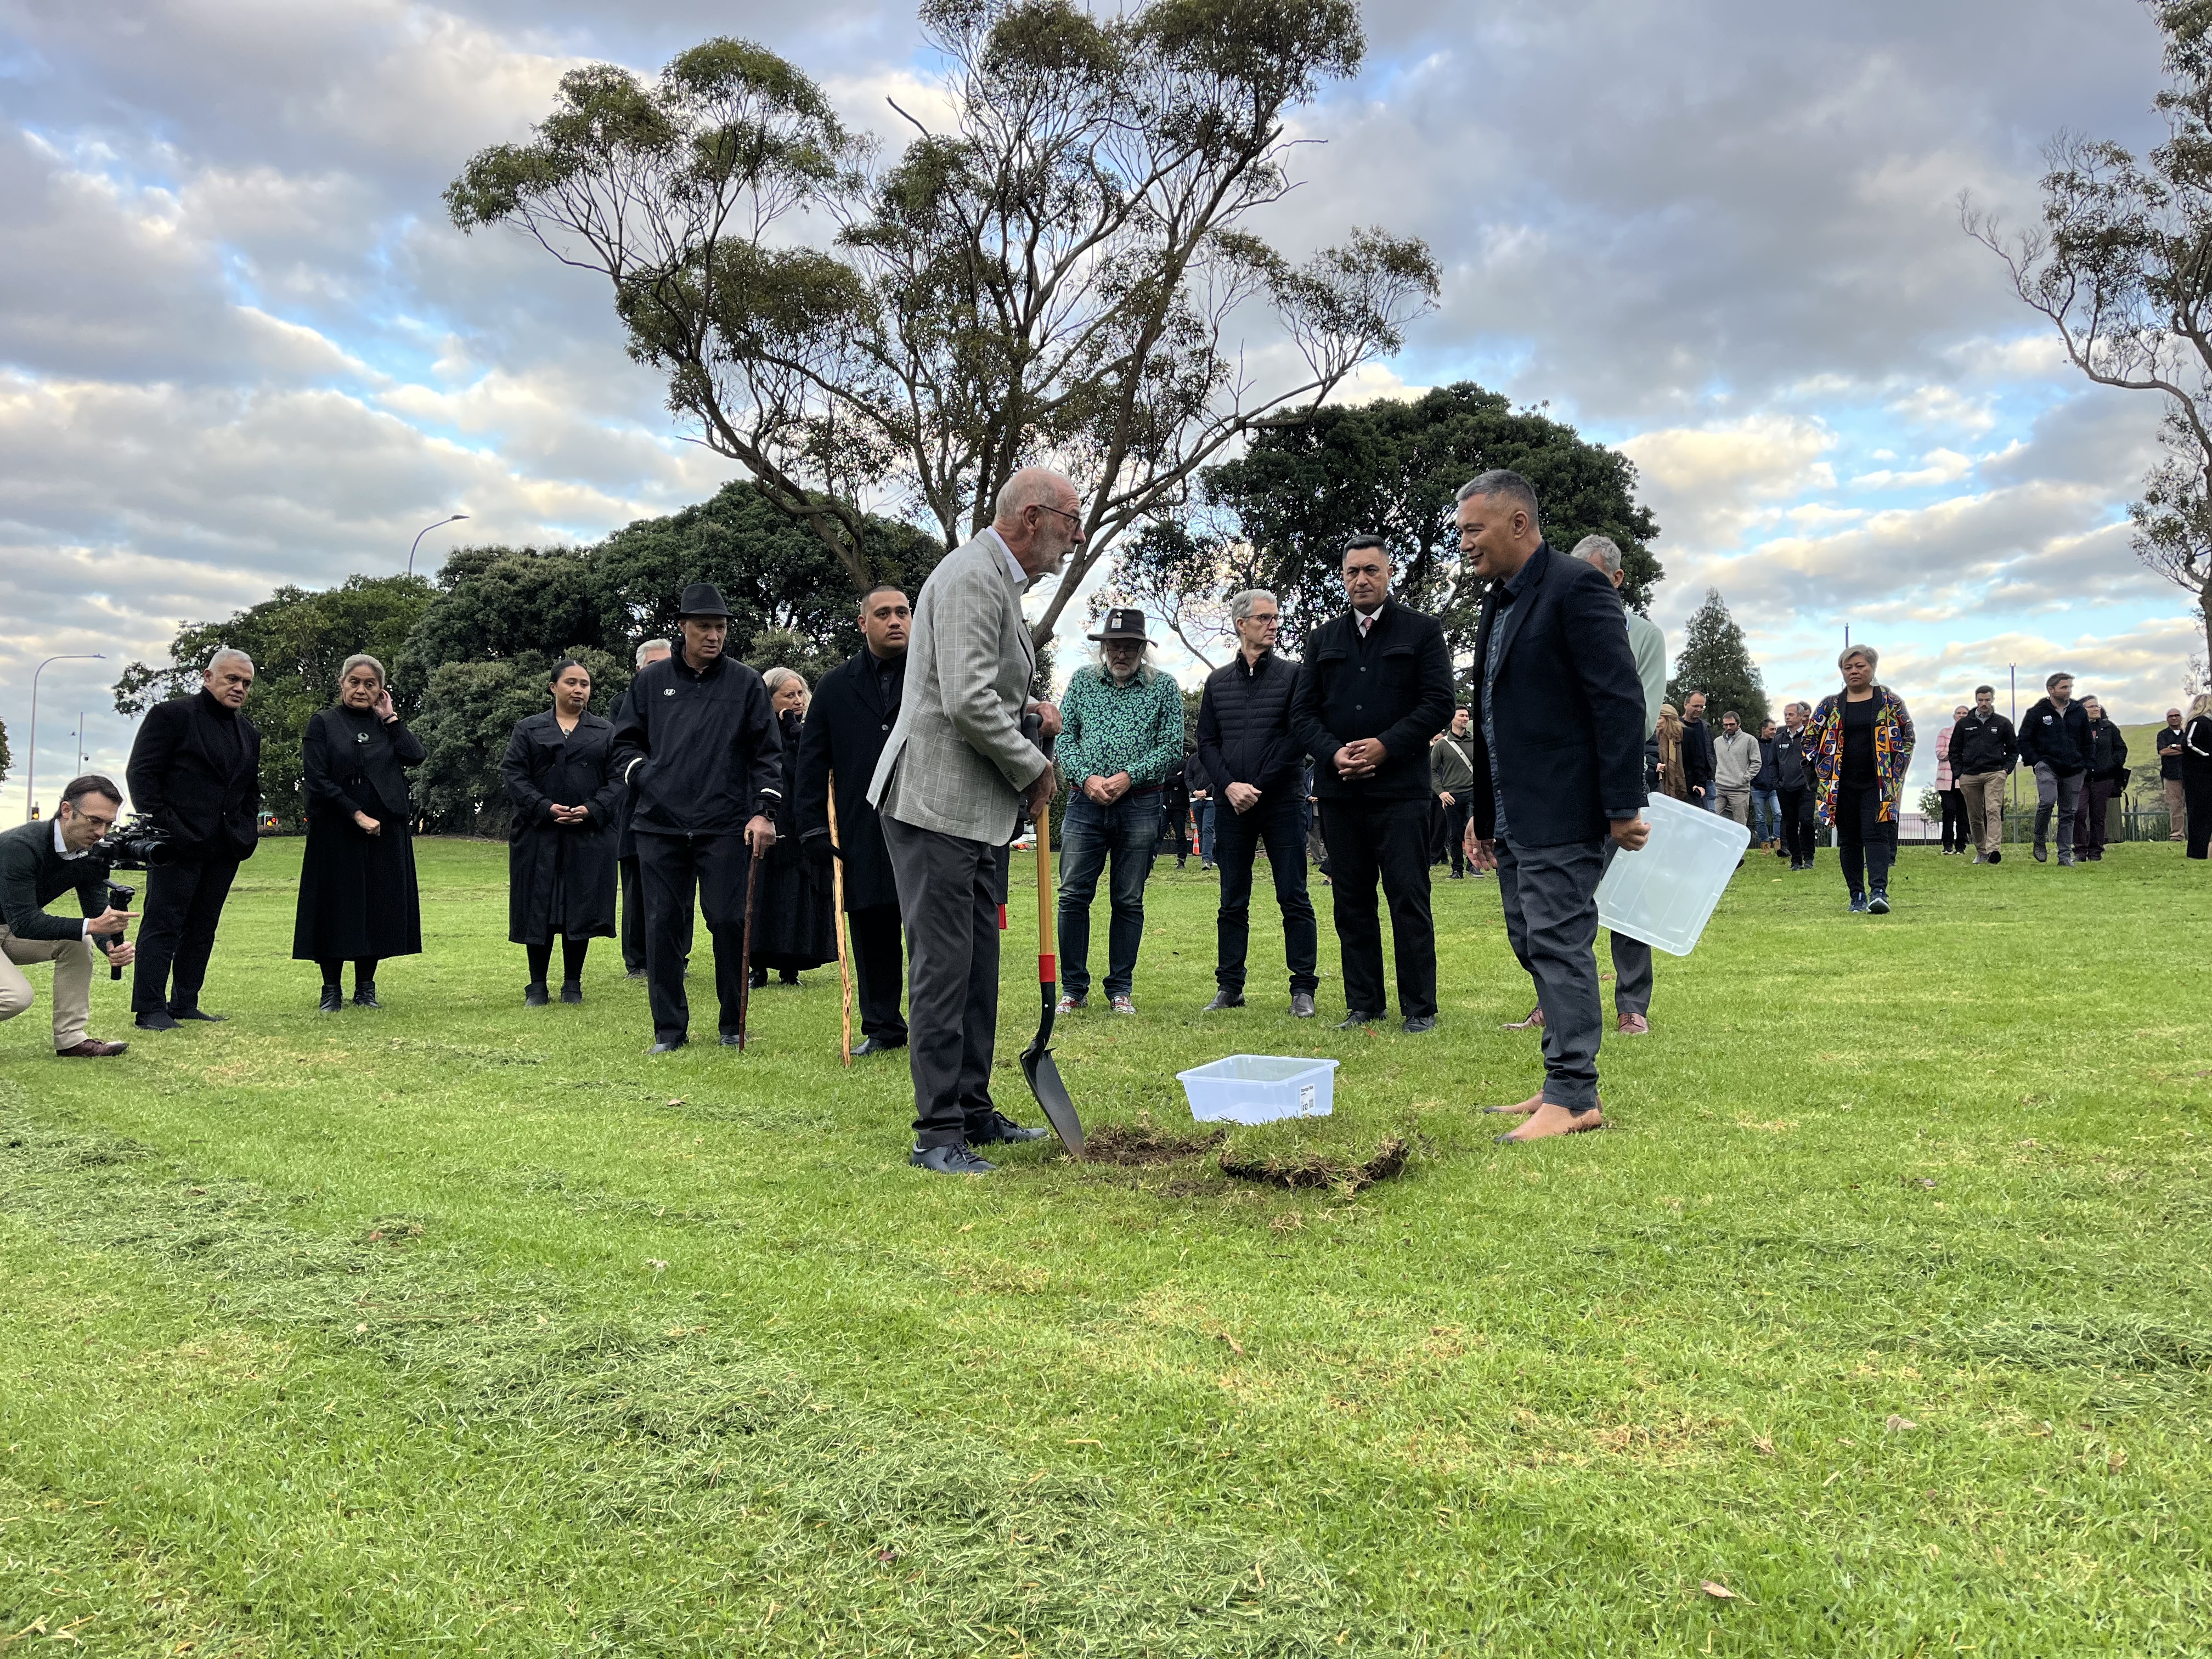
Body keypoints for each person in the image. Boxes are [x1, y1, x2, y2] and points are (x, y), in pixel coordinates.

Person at [867, 466, 1073, 1175]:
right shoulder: (969, 578)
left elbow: (980, 688)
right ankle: (937, 1133)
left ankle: (973, 1111)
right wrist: (1034, 765)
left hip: (974, 812)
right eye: (1070, 521)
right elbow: (962, 701)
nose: (1075, 536)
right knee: (944, 969)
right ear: (1033, 517)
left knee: (977, 968)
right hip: (934, 805)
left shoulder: (997, 582)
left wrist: (1030, 710)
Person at [1454, 471, 1650, 1142]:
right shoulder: (1499, 601)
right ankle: (1555, 1086)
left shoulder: (1577, 586)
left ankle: (1576, 1096)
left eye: (1474, 530)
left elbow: (1618, 698)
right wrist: (1483, 810)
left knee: (1560, 942)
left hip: (1566, 808)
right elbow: (1489, 717)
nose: (1465, 544)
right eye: (1461, 532)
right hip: (1512, 812)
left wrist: (1623, 804)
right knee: (1531, 940)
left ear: (1518, 523)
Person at [1288, 534, 1453, 1032]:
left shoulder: (1422, 631)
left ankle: (1419, 1009)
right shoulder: (1324, 639)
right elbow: (1302, 712)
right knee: (1351, 901)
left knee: (1408, 898)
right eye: (1353, 572)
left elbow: (1438, 703)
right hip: (1341, 792)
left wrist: (1385, 746)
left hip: (1401, 791)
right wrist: (1334, 752)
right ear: (1344, 578)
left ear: (1389, 574)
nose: (1362, 580)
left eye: (1371, 571)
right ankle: (1365, 1004)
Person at [610, 583, 782, 1053]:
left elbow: (767, 754)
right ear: (682, 627)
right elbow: (624, 745)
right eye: (703, 626)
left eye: (720, 627)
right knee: (663, 925)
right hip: (658, 826)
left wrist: (764, 812)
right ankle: (669, 1032)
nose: (713, 635)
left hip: (726, 825)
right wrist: (648, 778)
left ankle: (732, 1026)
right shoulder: (650, 682)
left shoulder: (746, 682)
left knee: (728, 922)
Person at [795, 584, 913, 1056]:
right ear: (863, 622)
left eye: (903, 612)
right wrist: (811, 829)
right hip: (861, 826)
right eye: (883, 613)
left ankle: (936, 1024)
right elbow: (811, 761)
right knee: (872, 925)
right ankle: (883, 1027)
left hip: (925, 820)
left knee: (930, 928)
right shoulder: (834, 686)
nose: (895, 621)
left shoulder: (934, 675)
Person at [1051, 608, 1184, 1014]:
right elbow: (1064, 738)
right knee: (1073, 895)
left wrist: (1129, 776)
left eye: (1129, 646)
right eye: (1114, 646)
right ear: (1103, 649)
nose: (1121, 653)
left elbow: (1172, 747)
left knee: (1128, 898)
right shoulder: (1082, 683)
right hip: (1083, 802)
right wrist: (1087, 777)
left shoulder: (1164, 687)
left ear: (1143, 650)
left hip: (1141, 802)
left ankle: (1120, 989)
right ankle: (1073, 989)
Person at [122, 647, 261, 1030]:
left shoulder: (248, 732)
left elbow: (250, 790)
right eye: (232, 679)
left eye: (246, 683)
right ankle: (150, 1009)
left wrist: (246, 833)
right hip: (177, 843)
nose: (239, 688)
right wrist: (167, 827)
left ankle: (185, 1002)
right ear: (208, 676)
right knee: (164, 922)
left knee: (203, 926)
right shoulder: (172, 715)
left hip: (225, 846)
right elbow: (142, 775)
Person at [1195, 587, 1318, 1017]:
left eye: (1276, 618)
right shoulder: (1217, 682)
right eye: (1265, 618)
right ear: (1241, 624)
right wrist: (1229, 787)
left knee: (1294, 896)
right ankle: (1230, 986)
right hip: (1231, 805)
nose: (1273, 625)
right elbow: (1206, 743)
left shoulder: (1294, 676)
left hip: (1281, 801)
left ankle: (1303, 989)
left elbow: (1297, 736)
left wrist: (1257, 786)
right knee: (1232, 899)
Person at [292, 654, 425, 1009]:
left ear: (381, 690)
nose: (361, 689)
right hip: (336, 828)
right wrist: (355, 813)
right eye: (355, 682)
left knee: (378, 907)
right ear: (342, 683)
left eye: (370, 684)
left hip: (386, 830)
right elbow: (316, 779)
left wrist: (392, 717)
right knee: (336, 906)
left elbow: (416, 756)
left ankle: (366, 988)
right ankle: (331, 990)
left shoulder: (386, 725)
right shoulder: (323, 723)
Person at [1571, 532, 1664, 1036]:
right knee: (1563, 895)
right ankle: (1559, 1000)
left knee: (1629, 893)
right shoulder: (1558, 623)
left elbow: (1644, 715)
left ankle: (1632, 1005)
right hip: (1564, 777)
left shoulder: (1644, 635)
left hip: (1621, 772)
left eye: (1594, 575)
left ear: (1617, 579)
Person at [499, 658, 624, 1007]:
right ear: (554, 687)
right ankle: (536, 986)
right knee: (538, 904)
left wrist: (593, 809)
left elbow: (619, 779)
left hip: (589, 835)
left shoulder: (605, 731)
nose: (579, 690)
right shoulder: (528, 729)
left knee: (579, 906)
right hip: (539, 833)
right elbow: (513, 774)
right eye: (571, 683)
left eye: (584, 684)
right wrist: (543, 807)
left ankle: (573, 984)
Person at [0, 775, 136, 1058]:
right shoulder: (21, 846)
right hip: (14, 924)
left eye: (109, 824)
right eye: (94, 821)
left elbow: (95, 911)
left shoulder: (91, 854)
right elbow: (25, 921)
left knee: (77, 942)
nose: (102, 832)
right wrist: (93, 925)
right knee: (15, 997)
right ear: (66, 810)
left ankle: (71, 1040)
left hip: (7, 928)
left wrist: (109, 944)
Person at [1805, 645, 1915, 913]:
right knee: (1849, 840)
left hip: (1877, 785)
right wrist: (1820, 774)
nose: (1854, 671)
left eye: (1860, 666)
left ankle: (1879, 892)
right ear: (1842, 672)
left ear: (1872, 668)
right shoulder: (1829, 705)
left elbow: (1908, 738)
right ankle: (1857, 895)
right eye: (1848, 667)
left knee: (1877, 837)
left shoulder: (1891, 702)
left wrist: (1895, 774)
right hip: (1840, 786)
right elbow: (1809, 741)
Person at [750, 668, 837, 988]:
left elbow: (814, 765)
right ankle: (757, 966)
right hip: (769, 820)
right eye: (788, 695)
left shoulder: (807, 731)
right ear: (770, 699)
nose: (798, 700)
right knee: (765, 893)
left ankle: (792, 966)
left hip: (803, 825)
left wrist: (794, 729)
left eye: (800, 693)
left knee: (797, 894)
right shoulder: (759, 732)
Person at [614, 639, 676, 978]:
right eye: (654, 666)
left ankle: (676, 958)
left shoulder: (684, 701)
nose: (661, 671)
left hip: (680, 815)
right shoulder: (622, 705)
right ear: (639, 670)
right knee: (638, 889)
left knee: (678, 892)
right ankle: (637, 960)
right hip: (638, 811)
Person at [2018, 671, 2090, 866]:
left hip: (2074, 769)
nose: (2069, 691)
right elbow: (2023, 740)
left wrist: (2085, 764)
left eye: (2070, 687)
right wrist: (2036, 761)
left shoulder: (2079, 711)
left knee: (2069, 813)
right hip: (2047, 766)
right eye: (2064, 687)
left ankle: (2064, 857)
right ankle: (2039, 839)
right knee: (2048, 801)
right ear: (2051, 689)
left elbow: (2087, 741)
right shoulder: (2037, 713)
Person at [1949, 686, 2016, 864]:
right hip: (1969, 775)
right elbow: (1954, 750)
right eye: (1981, 700)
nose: (1984, 703)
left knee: (1993, 809)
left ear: (1993, 699)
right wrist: (1959, 774)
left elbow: (2013, 749)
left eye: (1987, 700)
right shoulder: (1964, 724)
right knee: (1975, 816)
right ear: (1976, 700)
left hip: (1995, 773)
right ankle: (1982, 851)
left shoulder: (2003, 723)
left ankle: (1994, 850)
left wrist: (2006, 770)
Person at [2079, 696, 2129, 863]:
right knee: (2078, 813)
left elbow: (2121, 749)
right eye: (2091, 706)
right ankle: (2080, 850)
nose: (2096, 709)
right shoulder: (2074, 729)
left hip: (2103, 779)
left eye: (2097, 706)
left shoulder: (2109, 728)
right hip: (2081, 779)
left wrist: (2112, 765)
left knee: (2098, 816)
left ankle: (2096, 851)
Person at [1431, 712, 1475, 877]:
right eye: (1461, 716)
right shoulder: (1442, 744)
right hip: (1452, 795)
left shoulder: (1475, 742)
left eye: (1467, 716)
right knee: (1454, 834)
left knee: (1474, 831)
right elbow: (1432, 770)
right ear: (1452, 720)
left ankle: (1473, 866)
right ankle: (1457, 869)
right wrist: (1441, 793)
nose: (1465, 719)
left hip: (1472, 792)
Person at [1774, 702, 1816, 869]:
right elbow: (1772, 763)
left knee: (1806, 821)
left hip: (1806, 788)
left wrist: (1813, 781)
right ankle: (1796, 861)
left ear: (1801, 717)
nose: (1787, 717)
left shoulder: (1810, 736)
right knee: (1790, 824)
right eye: (1786, 714)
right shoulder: (1779, 738)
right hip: (1785, 788)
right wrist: (1777, 782)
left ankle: (1809, 858)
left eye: (1791, 714)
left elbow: (1819, 760)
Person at [1712, 711, 1759, 828]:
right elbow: (1713, 761)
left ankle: (1740, 847)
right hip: (1720, 787)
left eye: (1732, 724)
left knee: (1740, 825)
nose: (1728, 727)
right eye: (1726, 725)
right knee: (1712, 820)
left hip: (1739, 789)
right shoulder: (1717, 742)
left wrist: (1745, 779)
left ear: (1739, 724)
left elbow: (1757, 762)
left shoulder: (1750, 740)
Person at [1934, 705, 1971, 854]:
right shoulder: (1944, 733)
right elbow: (1940, 753)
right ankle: (1947, 845)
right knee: (1949, 811)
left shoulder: (1971, 733)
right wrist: (1956, 752)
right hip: (1946, 780)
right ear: (1954, 716)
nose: (1961, 716)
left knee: (1963, 814)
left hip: (1963, 778)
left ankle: (1961, 846)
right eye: (1959, 713)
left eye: (1965, 713)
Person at [2183, 693, 2212, 860]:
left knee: (2207, 813)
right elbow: (2189, 743)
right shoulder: (2198, 722)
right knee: (2199, 813)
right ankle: (2196, 853)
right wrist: (2208, 756)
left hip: (2207, 774)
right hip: (2198, 776)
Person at [1679, 691, 1717, 810]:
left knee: (1710, 816)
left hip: (1706, 780)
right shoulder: (1677, 726)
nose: (1699, 709)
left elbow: (1710, 753)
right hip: (1683, 779)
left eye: (1702, 707)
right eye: (1696, 706)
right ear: (1686, 705)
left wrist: (1711, 773)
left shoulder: (1705, 727)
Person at [2157, 707, 2190, 843]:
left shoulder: (2187, 733)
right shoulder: (2163, 734)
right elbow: (2163, 751)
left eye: (2177, 715)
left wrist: (2174, 747)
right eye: (2171, 716)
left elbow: (2193, 748)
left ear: (2181, 717)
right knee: (2175, 806)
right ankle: (2177, 835)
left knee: (2195, 806)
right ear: (2167, 719)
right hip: (2171, 775)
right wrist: (2183, 750)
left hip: (2190, 774)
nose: (2174, 718)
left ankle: (2197, 834)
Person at [1751, 719, 1782, 850]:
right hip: (1758, 787)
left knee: (1778, 814)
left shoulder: (1777, 744)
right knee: (1760, 818)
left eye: (1775, 729)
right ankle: (1765, 844)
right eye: (1772, 729)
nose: (1774, 732)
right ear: (1763, 729)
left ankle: (1778, 841)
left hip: (1774, 787)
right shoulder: (1754, 745)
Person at [1186, 752, 1216, 871]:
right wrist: (1195, 791)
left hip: (1211, 800)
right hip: (1196, 800)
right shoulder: (1193, 758)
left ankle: (1207, 860)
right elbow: (1188, 778)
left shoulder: (1214, 756)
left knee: (1207, 828)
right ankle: (1207, 857)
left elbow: (1218, 777)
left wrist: (1206, 791)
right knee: (1201, 831)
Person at [1654, 704, 1689, 801]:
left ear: (1669, 718)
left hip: (1685, 786)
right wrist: (1656, 765)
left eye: (1659, 718)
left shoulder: (1686, 734)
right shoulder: (1654, 738)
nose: (1656, 722)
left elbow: (1696, 761)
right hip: (1661, 787)